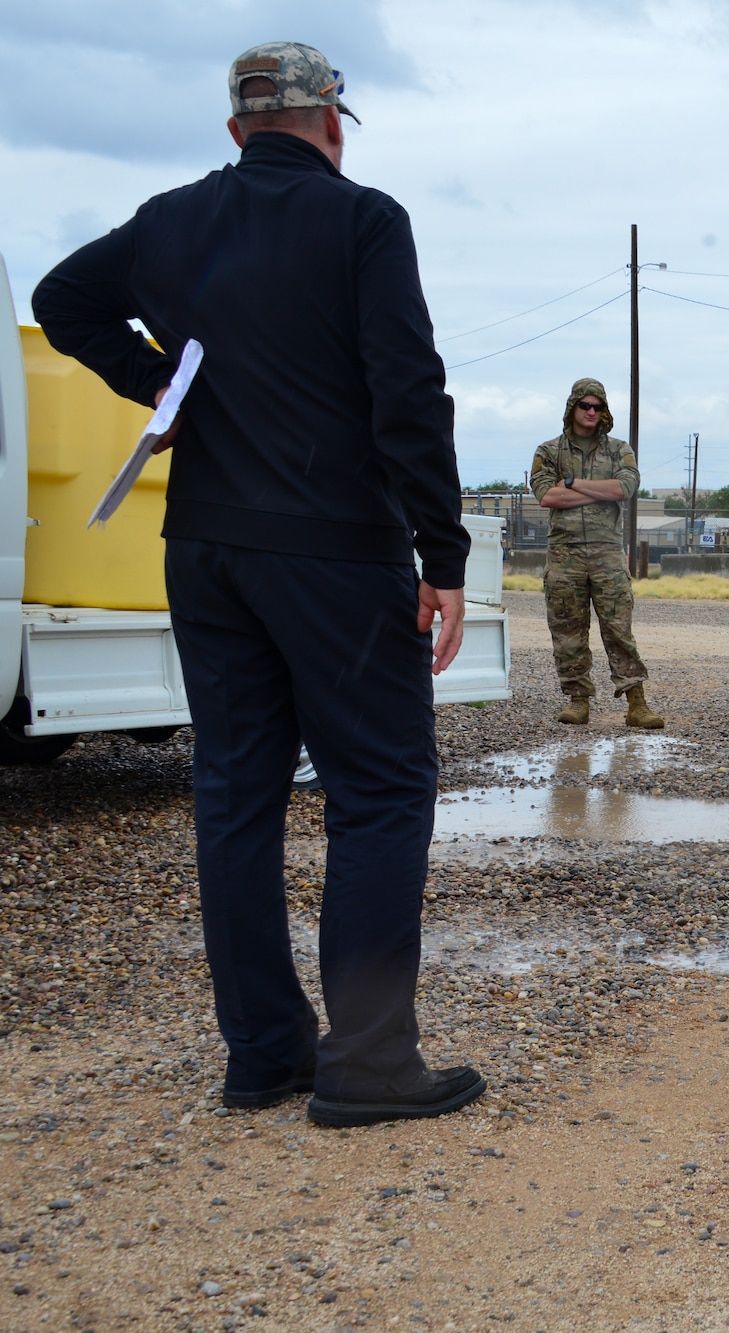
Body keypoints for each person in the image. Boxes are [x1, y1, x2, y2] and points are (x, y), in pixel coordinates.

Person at [32, 41, 485, 1127]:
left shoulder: (169, 221)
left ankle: (264, 1055)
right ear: (333, 122)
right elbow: (406, 390)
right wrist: (444, 553)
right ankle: (368, 1062)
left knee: (236, 794)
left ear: (237, 128)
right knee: (378, 791)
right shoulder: (364, 220)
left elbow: (61, 296)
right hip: (334, 547)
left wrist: (158, 382)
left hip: (206, 552)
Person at [529, 378, 663, 729]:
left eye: (597, 406)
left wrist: (571, 484)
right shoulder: (548, 451)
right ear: (572, 408)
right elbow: (546, 496)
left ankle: (636, 702)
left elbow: (625, 488)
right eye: (584, 405)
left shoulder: (619, 450)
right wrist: (600, 491)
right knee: (568, 631)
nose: (591, 412)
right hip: (564, 553)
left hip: (606, 553)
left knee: (619, 630)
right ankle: (578, 700)